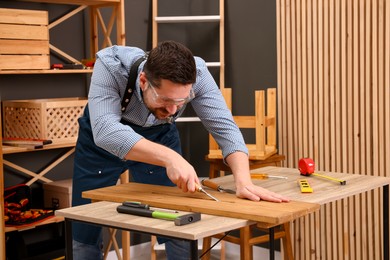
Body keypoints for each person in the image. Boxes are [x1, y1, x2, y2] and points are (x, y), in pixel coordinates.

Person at [71, 40, 289, 260]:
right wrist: (170, 158)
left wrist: (243, 181)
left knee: (180, 225)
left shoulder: (199, 74)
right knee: (82, 232)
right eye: (165, 100)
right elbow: (106, 131)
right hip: (99, 146)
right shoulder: (111, 65)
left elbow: (224, 127)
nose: (173, 110)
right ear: (144, 81)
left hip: (160, 135)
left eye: (181, 101)